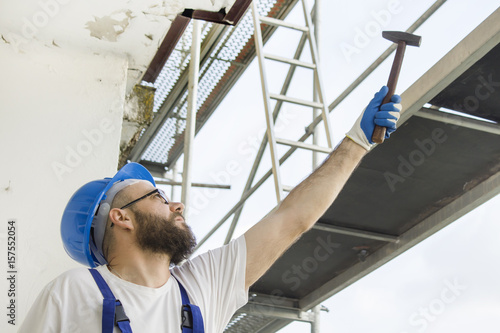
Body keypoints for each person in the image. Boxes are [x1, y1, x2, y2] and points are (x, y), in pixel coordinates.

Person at [19, 86, 401, 332]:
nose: (177, 204)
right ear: (121, 218)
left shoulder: (202, 284)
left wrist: (356, 142)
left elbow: (291, 220)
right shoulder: (72, 293)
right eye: (159, 199)